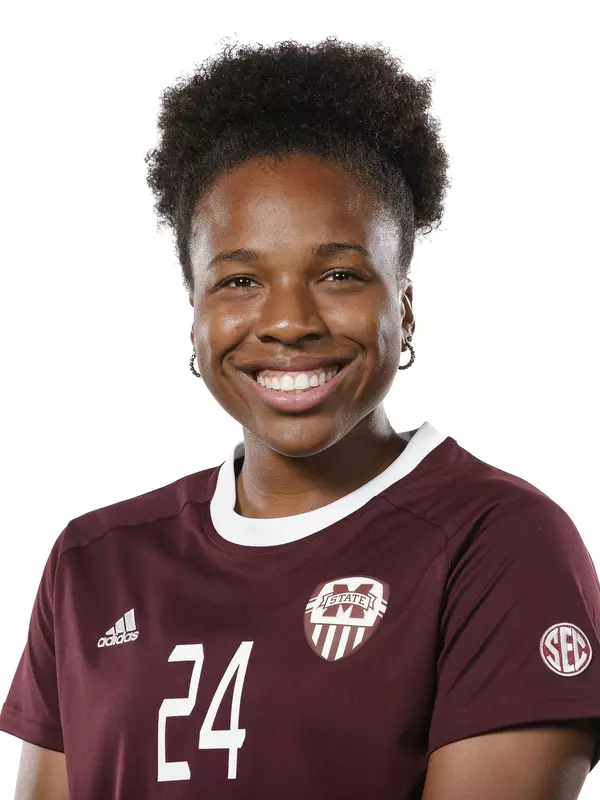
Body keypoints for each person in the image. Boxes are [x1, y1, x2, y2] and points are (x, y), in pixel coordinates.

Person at [1, 37, 599, 800]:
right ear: (195, 314)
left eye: (340, 274)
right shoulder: (92, 562)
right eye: (241, 279)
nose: (287, 321)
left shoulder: (497, 543)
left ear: (405, 306)